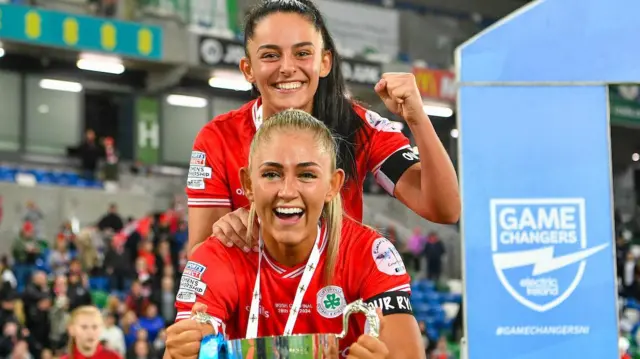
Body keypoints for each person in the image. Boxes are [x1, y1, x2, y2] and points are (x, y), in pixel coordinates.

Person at [185, 0, 460, 254]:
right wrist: (225, 233)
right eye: (270, 56)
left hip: (336, 302)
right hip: (254, 305)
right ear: (248, 69)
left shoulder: (359, 126)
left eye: (302, 53)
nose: (287, 68)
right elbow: (199, 257)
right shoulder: (218, 137)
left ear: (325, 62)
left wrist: (417, 119)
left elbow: (445, 209)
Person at [165, 110, 425, 359]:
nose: (287, 191)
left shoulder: (371, 254)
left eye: (307, 175)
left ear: (332, 185)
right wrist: (182, 352)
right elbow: (180, 350)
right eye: (271, 174)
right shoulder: (217, 255)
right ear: (248, 185)